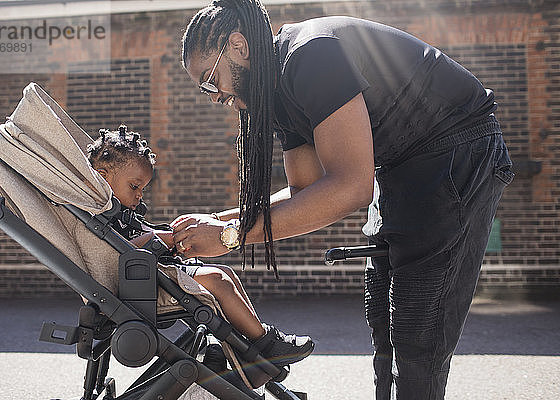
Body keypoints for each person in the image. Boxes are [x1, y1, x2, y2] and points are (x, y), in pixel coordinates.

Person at [172, 0, 514, 398]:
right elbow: (306, 190)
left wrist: (231, 235)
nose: (212, 96)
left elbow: (349, 188)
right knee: (384, 320)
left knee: (419, 328)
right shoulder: (276, 92)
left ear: (238, 46)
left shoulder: (310, 55)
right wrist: (215, 221)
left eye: (210, 81)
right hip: (402, 162)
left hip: (455, 151)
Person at [86, 124, 314, 367]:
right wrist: (167, 239)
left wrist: (170, 232)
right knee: (217, 278)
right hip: (137, 285)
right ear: (103, 176)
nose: (140, 195)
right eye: (134, 186)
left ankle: (247, 346)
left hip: (150, 276)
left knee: (226, 274)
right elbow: (121, 250)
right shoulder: (99, 214)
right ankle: (265, 344)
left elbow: (139, 238)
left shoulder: (119, 210)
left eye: (142, 189)